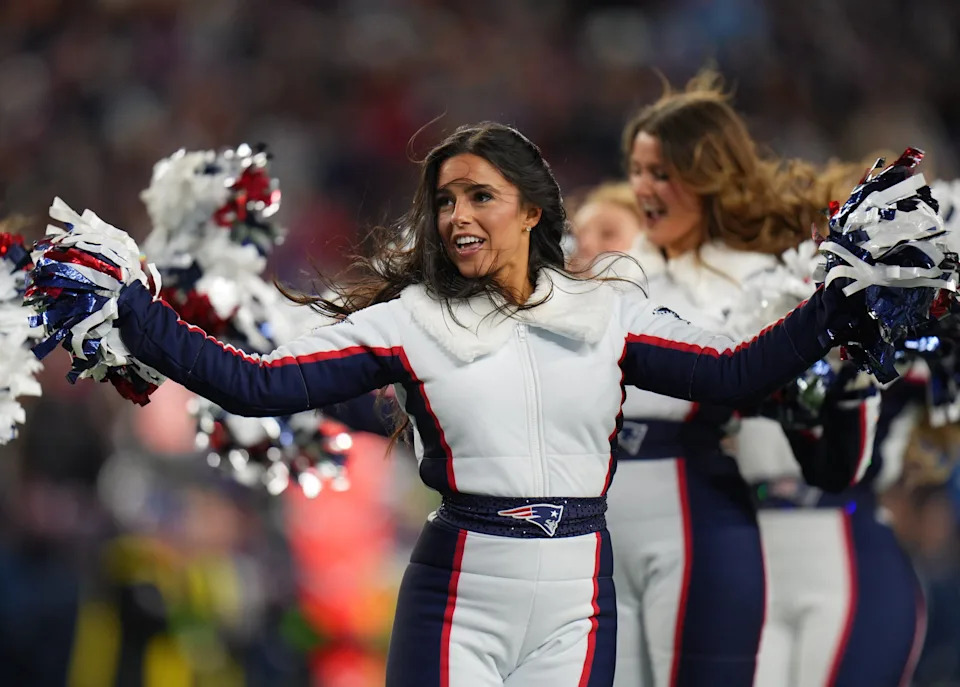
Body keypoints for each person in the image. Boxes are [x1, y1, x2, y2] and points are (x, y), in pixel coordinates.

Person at [57, 122, 886, 686]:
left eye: (479, 196)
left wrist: (840, 305)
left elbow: (736, 372)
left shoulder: (609, 311)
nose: (456, 214)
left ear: (532, 210)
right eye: (445, 199)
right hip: (460, 588)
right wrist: (130, 311)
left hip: (578, 595)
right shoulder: (410, 320)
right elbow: (257, 382)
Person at [605, 72, 922, 687]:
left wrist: (841, 367)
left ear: (707, 176)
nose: (643, 187)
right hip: (622, 532)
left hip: (747, 529)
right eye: (637, 170)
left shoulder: (764, 281)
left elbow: (838, 458)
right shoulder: (608, 277)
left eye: (662, 172)